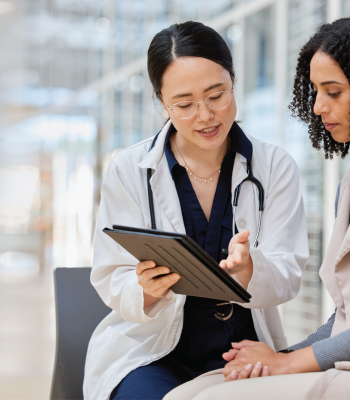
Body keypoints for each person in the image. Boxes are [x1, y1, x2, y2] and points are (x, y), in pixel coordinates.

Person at [164, 15, 350, 400]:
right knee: (187, 392)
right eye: (315, 91)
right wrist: (281, 355)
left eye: (334, 92)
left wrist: (291, 363)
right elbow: (346, 317)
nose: (319, 106)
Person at [82, 21, 309, 400]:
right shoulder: (128, 169)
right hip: (151, 353)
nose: (205, 115)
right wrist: (146, 291)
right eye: (184, 105)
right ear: (162, 103)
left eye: (217, 95)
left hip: (244, 347)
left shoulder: (276, 166)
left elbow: (289, 272)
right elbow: (110, 274)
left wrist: (254, 270)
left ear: (233, 81)